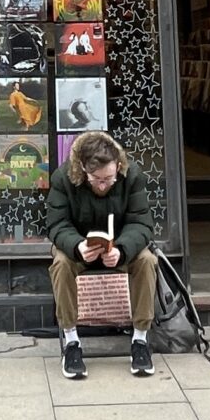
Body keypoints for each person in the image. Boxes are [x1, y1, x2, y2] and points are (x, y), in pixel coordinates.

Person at [44, 129, 156, 380]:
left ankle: (140, 338)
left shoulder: (131, 175)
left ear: (118, 166)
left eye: (110, 178)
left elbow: (141, 223)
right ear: (84, 169)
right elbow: (56, 224)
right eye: (98, 179)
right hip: (79, 248)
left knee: (147, 260)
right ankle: (71, 340)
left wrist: (122, 249)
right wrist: (77, 246)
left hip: (118, 247)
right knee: (60, 263)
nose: (104, 184)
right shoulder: (63, 178)